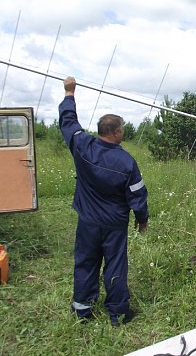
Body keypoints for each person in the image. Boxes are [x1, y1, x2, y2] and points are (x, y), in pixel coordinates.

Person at [59, 76, 149, 327]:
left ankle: (82, 310)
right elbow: (137, 195)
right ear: (117, 132)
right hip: (114, 224)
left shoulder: (82, 145)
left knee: (86, 261)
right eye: (122, 128)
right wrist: (142, 219)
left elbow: (68, 122)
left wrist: (69, 93)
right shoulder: (126, 162)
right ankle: (118, 313)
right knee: (115, 264)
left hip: (88, 221)